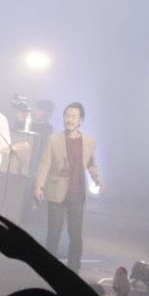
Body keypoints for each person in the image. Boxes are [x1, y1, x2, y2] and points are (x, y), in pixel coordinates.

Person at [32, 102, 104, 268]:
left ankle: (74, 268)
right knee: (54, 233)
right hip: (56, 190)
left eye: (73, 116)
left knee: (75, 235)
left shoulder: (89, 142)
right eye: (67, 116)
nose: (69, 119)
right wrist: (39, 186)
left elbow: (91, 164)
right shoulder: (53, 139)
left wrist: (98, 179)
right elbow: (44, 164)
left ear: (81, 120)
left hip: (77, 193)